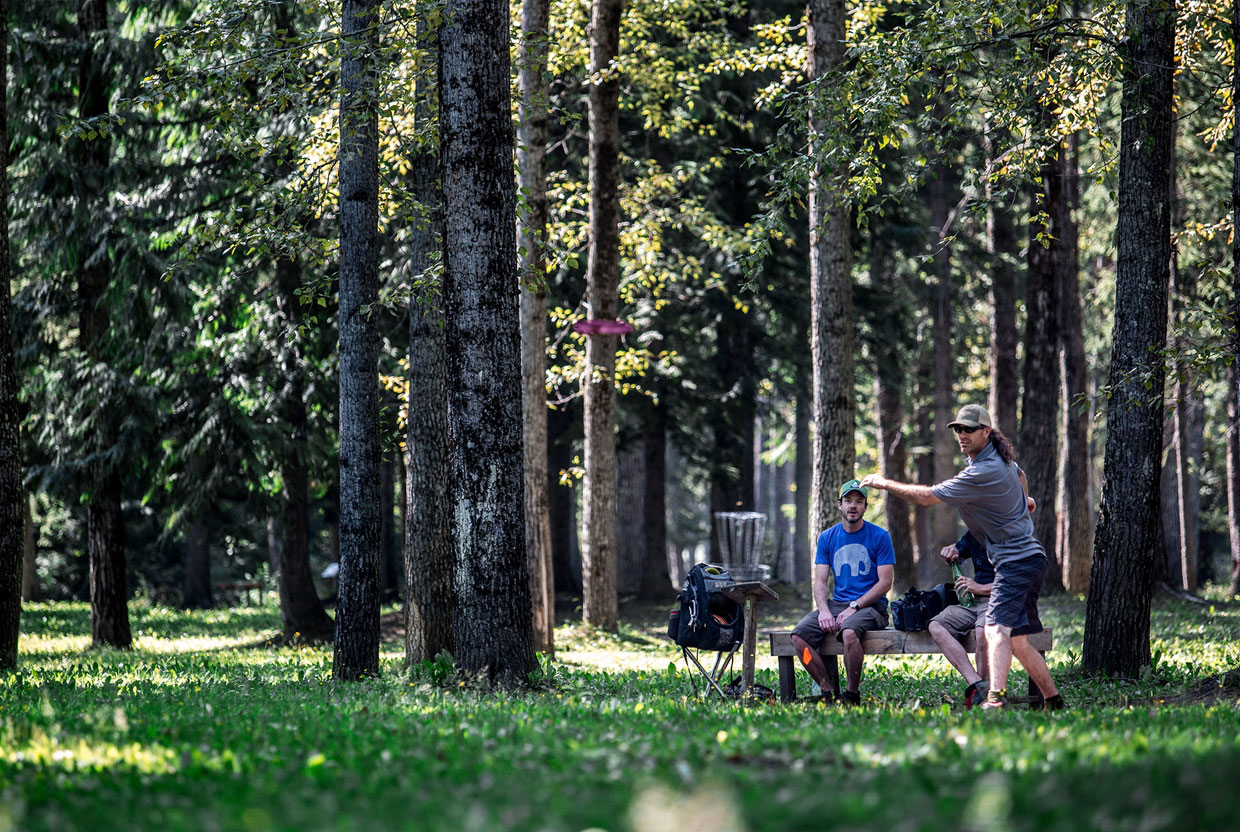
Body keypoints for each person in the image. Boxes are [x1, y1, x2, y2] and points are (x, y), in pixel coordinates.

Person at [861, 404, 1065, 710]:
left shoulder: (984, 471)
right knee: (1019, 640)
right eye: (959, 429)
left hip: (1016, 563)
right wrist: (1023, 503)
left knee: (996, 629)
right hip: (1030, 560)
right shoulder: (1002, 462)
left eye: (969, 429)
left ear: (986, 432)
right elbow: (1021, 477)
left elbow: (928, 497)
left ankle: (994, 700)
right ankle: (1054, 701)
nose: (962, 435)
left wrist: (883, 483)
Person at [790, 479, 895, 705]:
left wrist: (855, 606)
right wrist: (824, 611)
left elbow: (885, 583)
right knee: (798, 637)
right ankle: (827, 690)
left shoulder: (880, 536)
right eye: (848, 501)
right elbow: (819, 582)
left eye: (859, 501)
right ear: (840, 505)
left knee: (849, 632)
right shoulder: (827, 537)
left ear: (865, 507)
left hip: (871, 606)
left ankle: (851, 694)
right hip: (838, 603)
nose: (853, 506)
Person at [928, 530, 994, 708]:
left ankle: (981, 696)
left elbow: (1013, 581)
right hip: (973, 601)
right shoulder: (975, 531)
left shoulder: (1008, 533)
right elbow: (957, 551)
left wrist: (979, 588)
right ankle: (977, 685)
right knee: (936, 625)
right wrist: (950, 554)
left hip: (998, 599)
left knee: (982, 633)